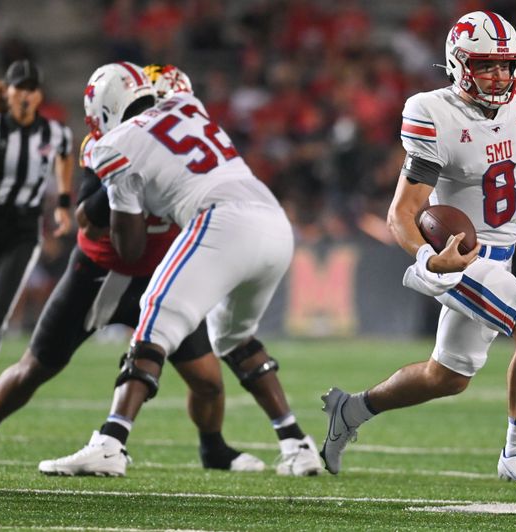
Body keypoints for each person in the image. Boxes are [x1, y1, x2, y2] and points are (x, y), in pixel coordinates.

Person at [320, 11, 516, 493]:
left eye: (506, 65)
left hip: (504, 253)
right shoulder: (431, 111)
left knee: (447, 377)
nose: (500, 76)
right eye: (486, 65)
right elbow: (404, 211)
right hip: (463, 257)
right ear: (458, 64)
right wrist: (429, 260)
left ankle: (350, 409)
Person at [0, 62, 265, 473]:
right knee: (34, 368)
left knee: (208, 381)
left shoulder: (180, 144)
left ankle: (213, 447)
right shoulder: (103, 145)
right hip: (96, 275)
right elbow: (86, 216)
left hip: (162, 276)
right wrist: (127, 166)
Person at [36, 62, 323, 477]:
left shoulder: (119, 140)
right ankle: (297, 443)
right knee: (234, 336)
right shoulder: (191, 108)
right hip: (273, 223)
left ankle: (110, 442)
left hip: (222, 220)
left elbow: (128, 247)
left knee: (153, 314)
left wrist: (117, 189)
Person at [0, 60, 73, 429]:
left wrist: (65, 203)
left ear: (38, 95)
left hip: (23, 230)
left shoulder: (55, 132)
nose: (24, 95)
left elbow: (66, 158)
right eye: (18, 88)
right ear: (7, 92)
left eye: (30, 89)